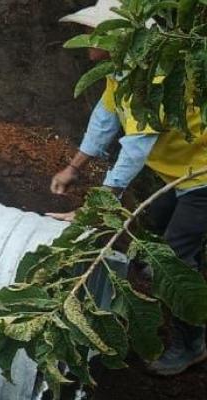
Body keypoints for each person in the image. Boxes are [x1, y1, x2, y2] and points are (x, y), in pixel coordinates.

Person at [51, 0, 207, 376]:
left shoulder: (150, 78)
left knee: (171, 262)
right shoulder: (121, 72)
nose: (88, 50)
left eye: (92, 38)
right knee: (156, 230)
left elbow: (136, 146)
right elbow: (105, 117)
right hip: (177, 173)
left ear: (120, 38)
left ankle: (191, 344)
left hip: (201, 176)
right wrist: (73, 167)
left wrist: (102, 204)